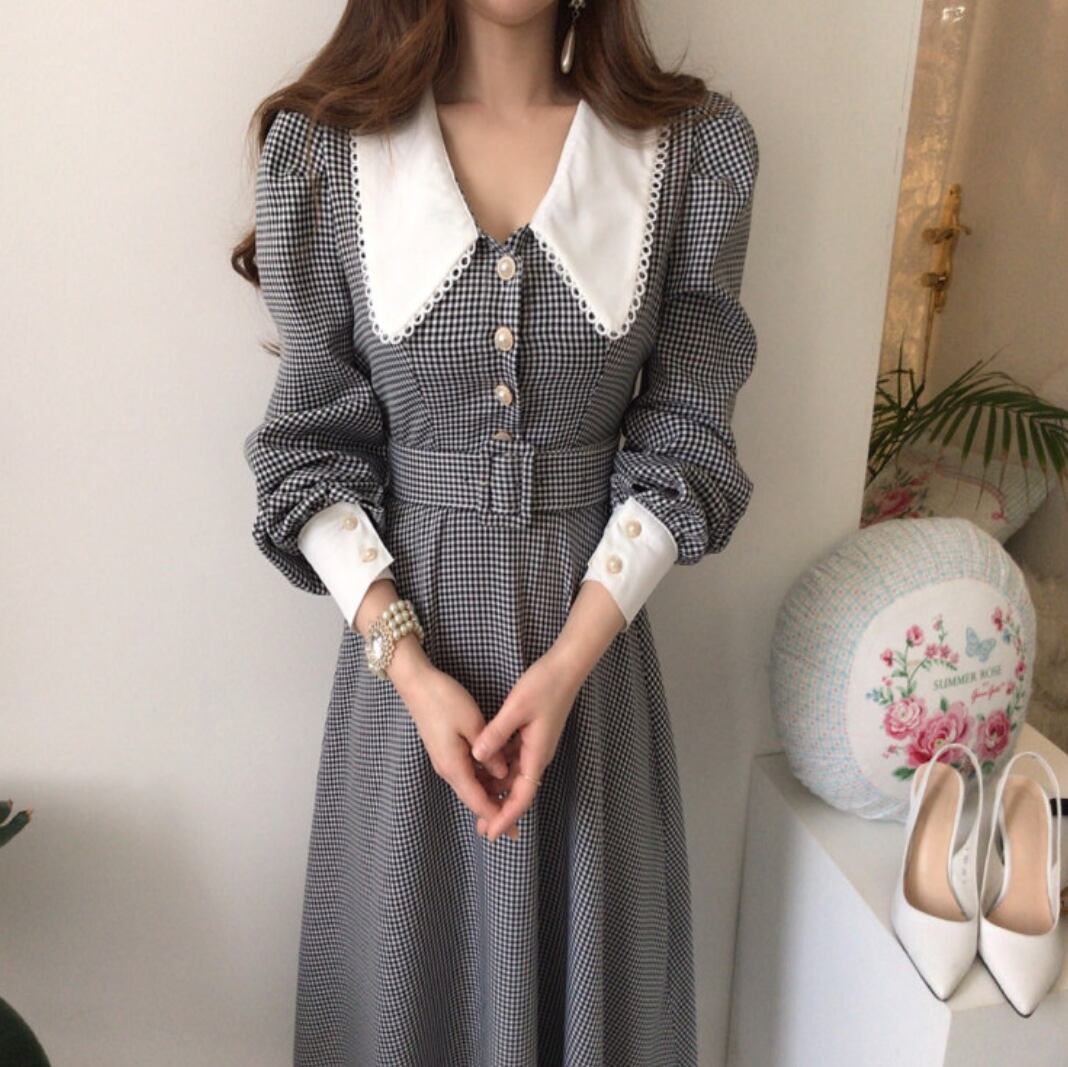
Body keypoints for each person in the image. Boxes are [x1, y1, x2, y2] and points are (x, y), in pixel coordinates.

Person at [232, 0, 760, 1062]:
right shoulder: (328, 152)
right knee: (404, 998)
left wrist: (565, 669)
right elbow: (309, 449)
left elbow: (687, 438)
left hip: (593, 684)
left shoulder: (687, 154)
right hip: (404, 696)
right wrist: (410, 668)